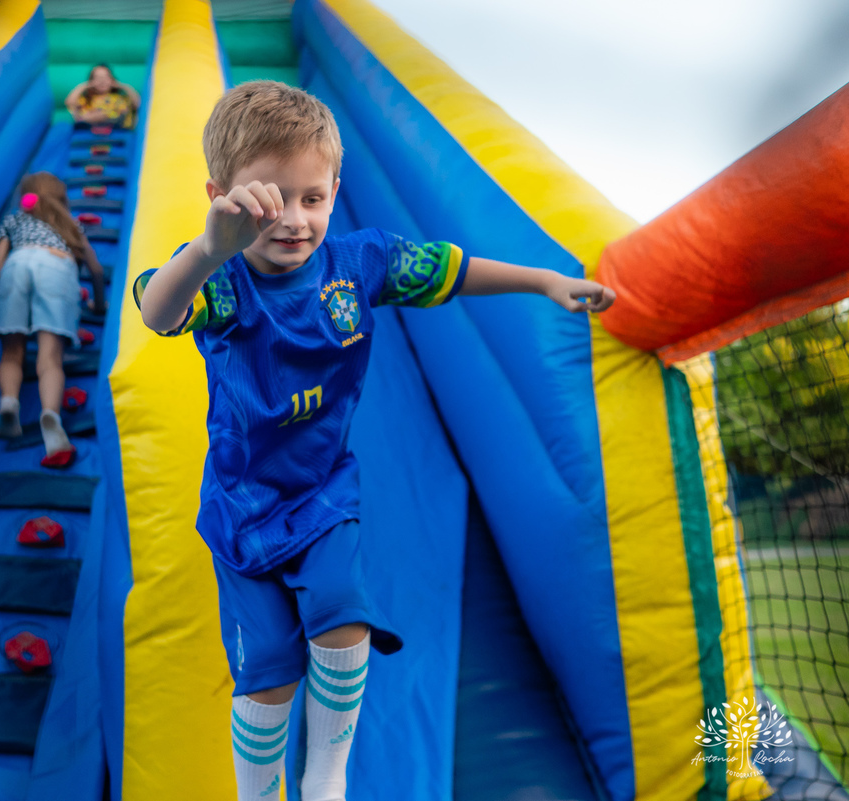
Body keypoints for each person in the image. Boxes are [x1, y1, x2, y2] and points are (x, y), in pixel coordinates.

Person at [134, 81, 615, 801]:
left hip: (323, 488)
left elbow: (450, 268)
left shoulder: (360, 263)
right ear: (222, 194)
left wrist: (543, 279)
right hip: (243, 505)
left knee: (342, 613)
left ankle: (327, 777)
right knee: (267, 668)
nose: (294, 220)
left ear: (335, 187)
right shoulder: (222, 278)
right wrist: (207, 248)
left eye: (313, 198)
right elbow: (156, 309)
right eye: (271, 199)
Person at [0, 171, 106, 467]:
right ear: (61, 199)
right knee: (50, 359)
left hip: (18, 264)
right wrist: (99, 305)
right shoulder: (69, 225)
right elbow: (97, 271)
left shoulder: (14, 220)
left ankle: (9, 401)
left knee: (12, 352)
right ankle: (50, 415)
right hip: (57, 268)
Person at [65, 64, 141, 129]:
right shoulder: (86, 100)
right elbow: (70, 102)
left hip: (117, 133)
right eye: (97, 78)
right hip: (89, 133)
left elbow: (138, 104)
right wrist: (85, 86)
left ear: (112, 80)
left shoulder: (120, 99)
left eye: (106, 77)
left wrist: (123, 86)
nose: (102, 81)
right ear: (91, 81)